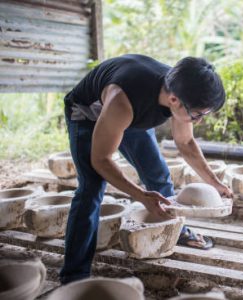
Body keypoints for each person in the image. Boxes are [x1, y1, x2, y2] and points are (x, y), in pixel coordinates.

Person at [59, 54, 233, 284]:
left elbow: (186, 143)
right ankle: (74, 276)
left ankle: (175, 230)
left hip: (131, 118)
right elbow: (100, 160)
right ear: (174, 100)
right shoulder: (122, 101)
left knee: (158, 175)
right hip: (88, 113)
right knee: (91, 189)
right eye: (197, 115)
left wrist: (215, 183)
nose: (198, 121)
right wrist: (141, 196)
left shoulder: (182, 90)